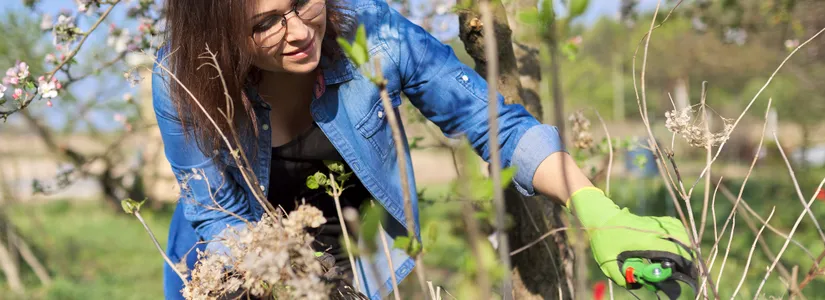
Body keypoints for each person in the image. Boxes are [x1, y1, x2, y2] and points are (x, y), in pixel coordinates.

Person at [152, 0, 695, 299]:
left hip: (359, 260)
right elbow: (217, 217)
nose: (298, 31)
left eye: (301, 2)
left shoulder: (379, 35)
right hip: (235, 267)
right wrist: (284, 285)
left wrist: (595, 208)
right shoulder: (184, 80)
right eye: (266, 23)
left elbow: (494, 125)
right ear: (219, 33)